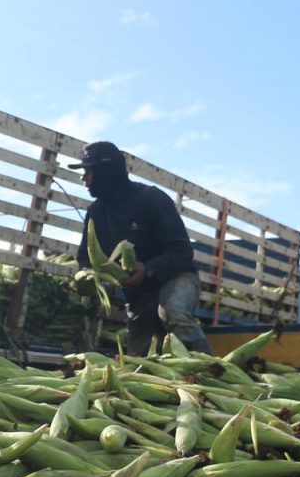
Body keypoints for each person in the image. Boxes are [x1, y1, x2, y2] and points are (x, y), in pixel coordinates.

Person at [73, 141, 214, 356]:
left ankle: (211, 367)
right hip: (138, 296)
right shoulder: (95, 213)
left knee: (172, 310)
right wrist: (86, 277)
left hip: (175, 279)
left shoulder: (151, 199)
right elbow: (85, 257)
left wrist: (148, 269)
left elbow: (183, 251)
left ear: (106, 172)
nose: (83, 178)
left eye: (88, 172)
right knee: (138, 360)